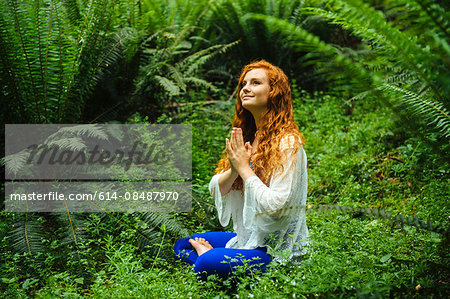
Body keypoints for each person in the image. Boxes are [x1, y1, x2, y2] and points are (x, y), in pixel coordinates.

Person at [174, 60, 309, 280]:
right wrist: (235, 168)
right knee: (183, 244)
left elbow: (277, 207)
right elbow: (217, 188)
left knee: (208, 261)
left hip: (276, 251)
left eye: (256, 83)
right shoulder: (248, 136)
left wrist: (245, 169)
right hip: (249, 238)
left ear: (274, 93)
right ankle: (214, 258)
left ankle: (210, 259)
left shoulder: (288, 143)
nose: (245, 88)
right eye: (244, 83)